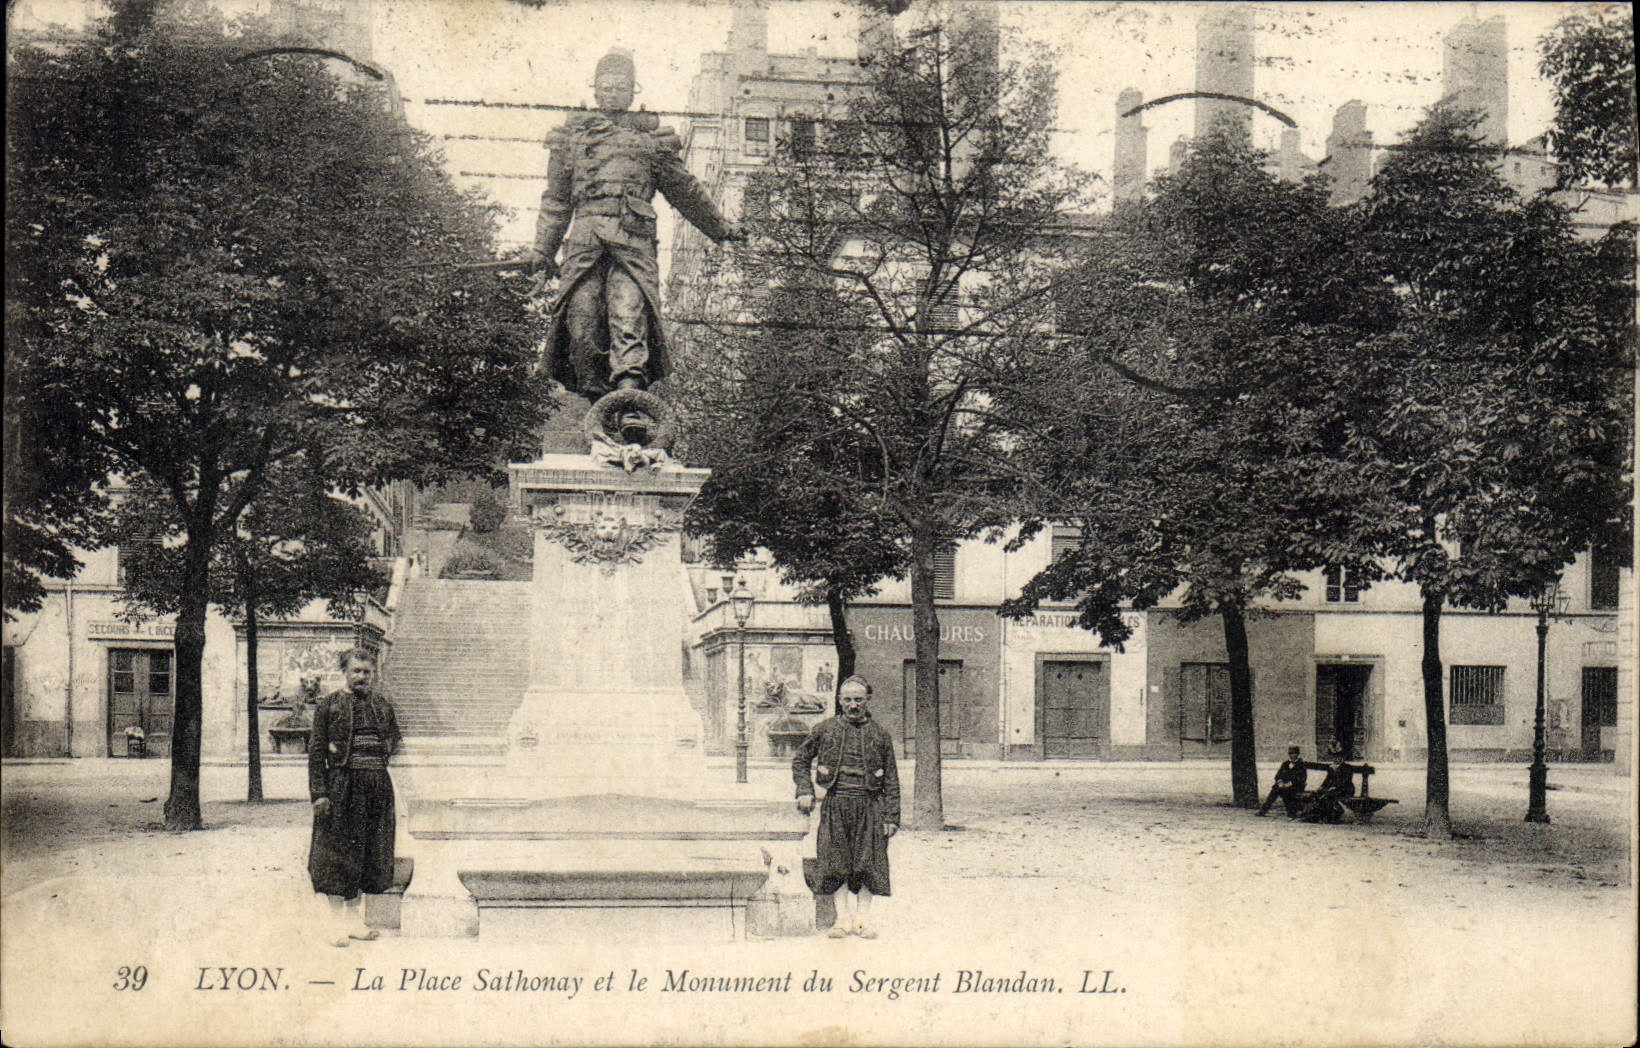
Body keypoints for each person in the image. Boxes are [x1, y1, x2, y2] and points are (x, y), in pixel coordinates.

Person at [524, 48, 744, 406]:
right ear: (595, 90)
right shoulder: (572, 138)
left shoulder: (652, 142)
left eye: (621, 87)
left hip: (633, 240)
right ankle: (599, 401)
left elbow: (684, 190)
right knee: (582, 323)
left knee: (629, 315)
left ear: (632, 91)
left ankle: (630, 394)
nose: (613, 94)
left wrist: (720, 227)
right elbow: (556, 201)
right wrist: (541, 251)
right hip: (584, 244)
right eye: (606, 87)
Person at [792, 675, 900, 938]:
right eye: (848, 700)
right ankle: (842, 919)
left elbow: (892, 780)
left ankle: (862, 920)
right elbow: (800, 760)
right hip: (836, 803)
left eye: (859, 700)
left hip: (869, 806)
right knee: (835, 861)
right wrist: (805, 790)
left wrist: (891, 817)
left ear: (867, 701)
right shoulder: (824, 729)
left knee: (869, 863)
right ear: (839, 701)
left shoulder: (880, 735)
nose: (853, 705)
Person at [307, 649, 402, 947]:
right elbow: (316, 753)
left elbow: (394, 738)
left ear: (373, 674)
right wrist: (319, 794)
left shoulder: (383, 705)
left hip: (376, 787)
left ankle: (353, 921)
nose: (362, 677)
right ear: (345, 673)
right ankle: (336, 925)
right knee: (338, 855)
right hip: (341, 788)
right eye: (356, 671)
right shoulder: (329, 705)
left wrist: (378, 755)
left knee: (366, 853)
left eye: (367, 672)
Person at [1298, 741, 1355, 824]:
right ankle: (1313, 815)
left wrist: (1334, 787)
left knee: (1328, 796)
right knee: (1316, 794)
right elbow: (1327, 780)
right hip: (1333, 789)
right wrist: (1321, 787)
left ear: (1343, 758)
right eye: (1335, 757)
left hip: (1345, 789)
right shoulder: (1331, 768)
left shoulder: (1347, 768)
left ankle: (1331, 817)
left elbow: (1346, 781)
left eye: (1339, 757)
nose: (1337, 759)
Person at [1255, 744, 1309, 817]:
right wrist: (1280, 781)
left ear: (1297, 754)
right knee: (1275, 789)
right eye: (1290, 753)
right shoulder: (1285, 764)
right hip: (1283, 785)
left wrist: (1289, 784)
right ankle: (1263, 810)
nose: (1292, 755)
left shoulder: (1301, 765)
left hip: (1295, 786)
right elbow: (1278, 775)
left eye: (1294, 753)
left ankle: (1291, 811)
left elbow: (1302, 778)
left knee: (1285, 791)